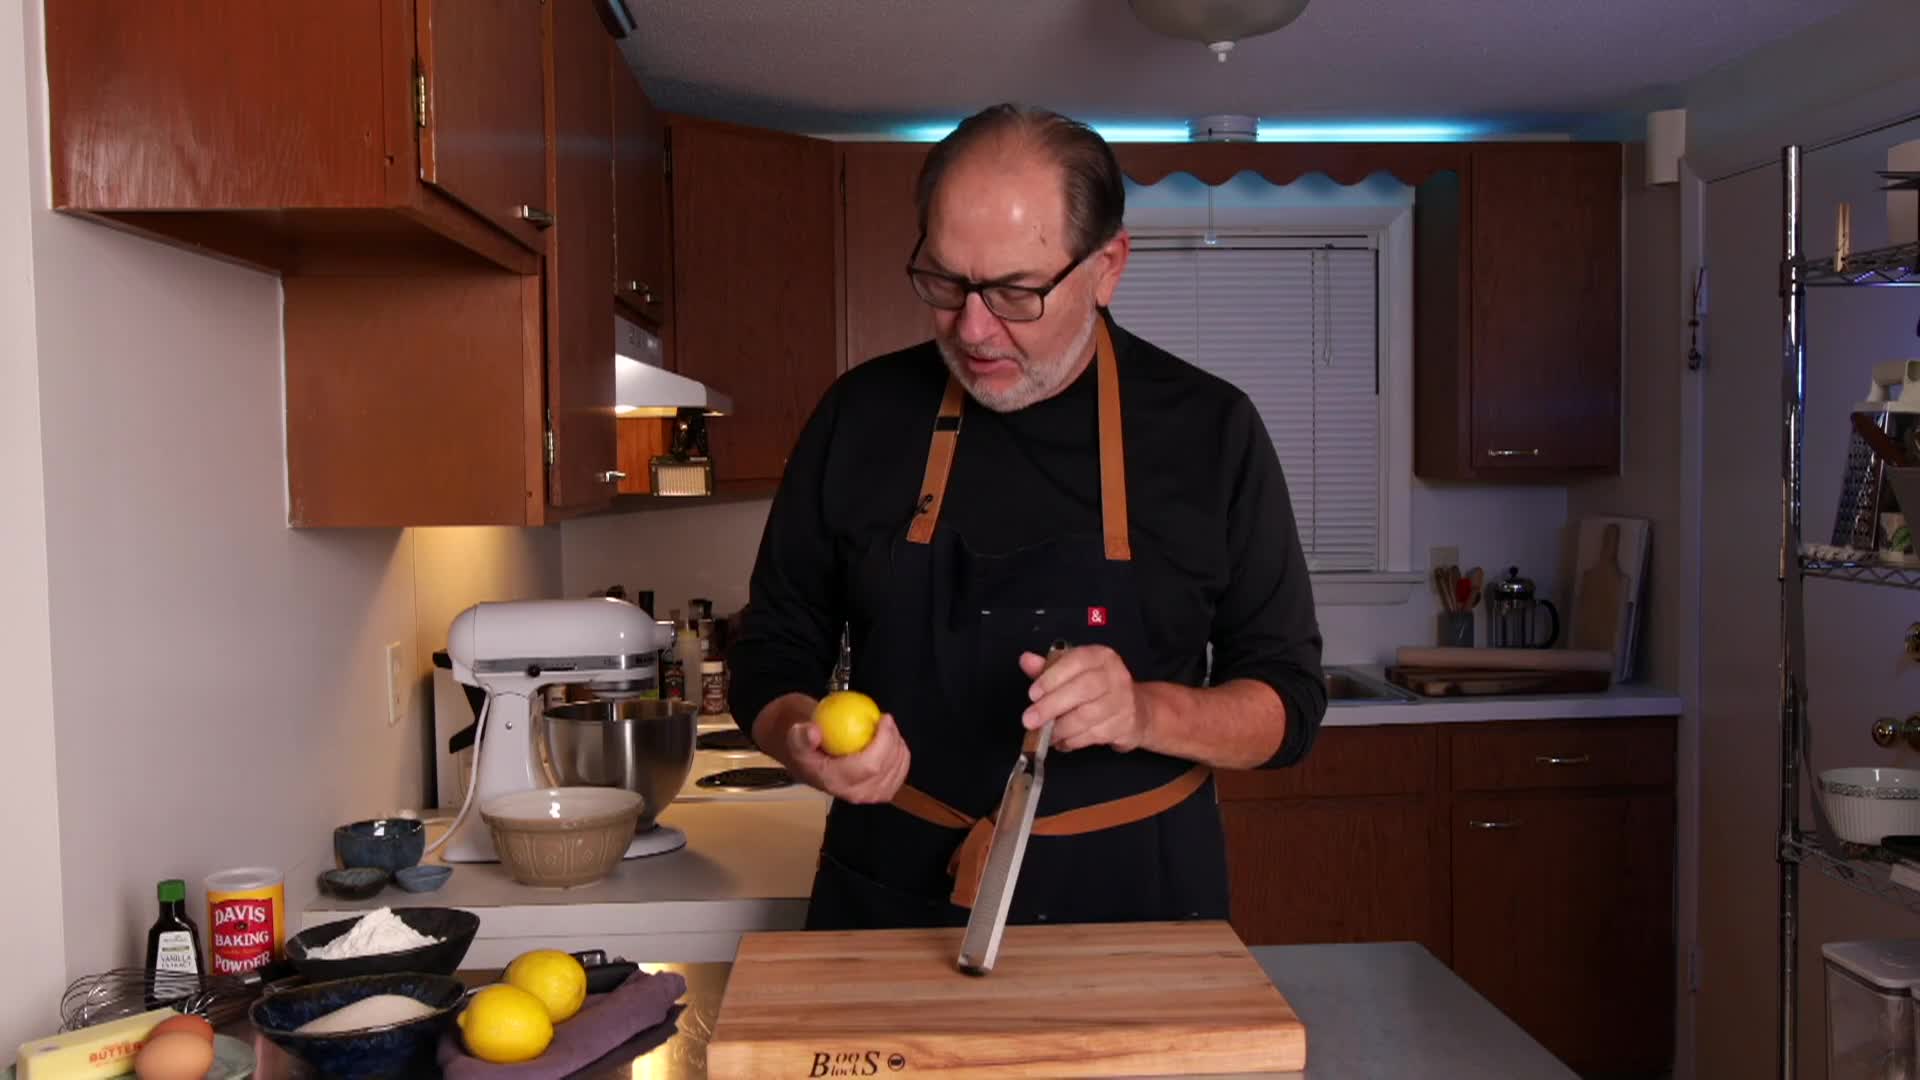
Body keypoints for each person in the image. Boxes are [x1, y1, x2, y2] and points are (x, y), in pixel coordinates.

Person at [726, 103, 1326, 932]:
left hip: (1139, 907)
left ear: (1107, 267)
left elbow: (1288, 705)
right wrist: (800, 736)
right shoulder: (859, 416)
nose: (973, 330)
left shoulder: (1211, 431)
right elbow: (771, 652)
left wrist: (1145, 711)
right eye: (944, 282)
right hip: (891, 892)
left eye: (1016, 292)